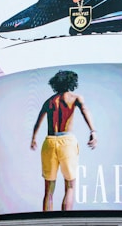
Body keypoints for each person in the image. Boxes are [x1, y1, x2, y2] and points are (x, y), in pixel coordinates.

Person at [31, 70, 97, 211]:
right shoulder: (75, 98)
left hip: (49, 142)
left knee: (48, 191)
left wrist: (34, 138)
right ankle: (65, 221)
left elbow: (38, 122)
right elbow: (85, 111)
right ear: (72, 83)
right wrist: (93, 131)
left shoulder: (49, 101)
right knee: (70, 186)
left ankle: (46, 223)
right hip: (67, 141)